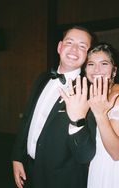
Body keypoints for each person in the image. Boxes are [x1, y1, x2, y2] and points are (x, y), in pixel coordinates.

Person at [11, 25, 97, 188]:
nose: (74, 49)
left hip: (62, 179)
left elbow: (85, 155)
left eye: (82, 46)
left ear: (87, 55)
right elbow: (27, 119)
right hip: (29, 169)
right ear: (59, 47)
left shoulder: (88, 92)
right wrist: (17, 157)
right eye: (69, 42)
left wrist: (78, 120)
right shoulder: (42, 78)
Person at [60, 43, 119, 188]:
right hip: (99, 167)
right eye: (91, 64)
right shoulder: (98, 93)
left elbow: (117, 153)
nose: (96, 70)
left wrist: (100, 115)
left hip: (116, 173)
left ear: (114, 70)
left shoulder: (118, 95)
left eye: (104, 63)